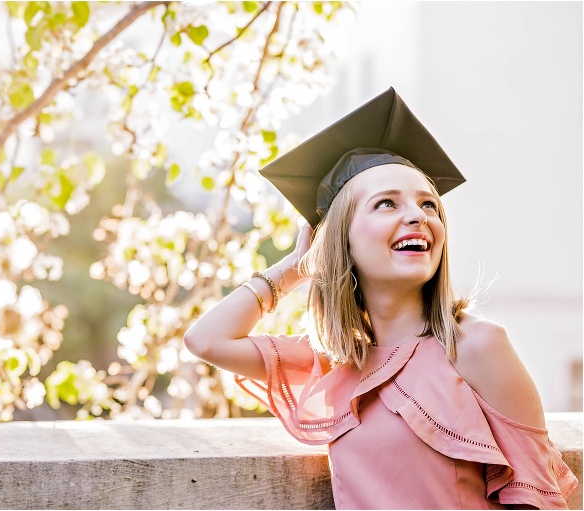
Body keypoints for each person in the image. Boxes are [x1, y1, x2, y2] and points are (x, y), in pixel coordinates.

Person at [184, 88, 578, 509]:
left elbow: (540, 499)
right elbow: (207, 341)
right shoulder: (336, 362)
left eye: (429, 204)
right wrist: (295, 269)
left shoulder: (477, 346)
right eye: (387, 203)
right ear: (343, 240)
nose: (417, 215)